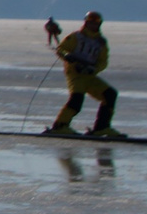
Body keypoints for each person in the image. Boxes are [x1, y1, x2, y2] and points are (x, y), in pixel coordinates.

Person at [46, 10, 123, 139]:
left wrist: (94, 69)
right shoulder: (76, 37)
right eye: (90, 23)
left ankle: (102, 127)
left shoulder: (101, 42)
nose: (92, 25)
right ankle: (60, 126)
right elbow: (61, 49)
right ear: (86, 23)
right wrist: (67, 56)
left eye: (95, 23)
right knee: (76, 99)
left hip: (89, 76)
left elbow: (103, 61)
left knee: (110, 94)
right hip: (75, 74)